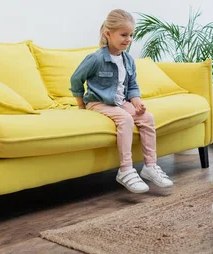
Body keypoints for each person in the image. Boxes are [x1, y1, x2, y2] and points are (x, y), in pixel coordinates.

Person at [70, 9, 173, 194]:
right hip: (98, 102)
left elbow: (132, 86)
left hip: (120, 102)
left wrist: (137, 102)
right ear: (108, 34)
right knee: (125, 119)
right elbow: (76, 79)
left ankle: (150, 166)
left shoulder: (128, 60)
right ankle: (125, 169)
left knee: (147, 117)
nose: (129, 39)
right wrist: (81, 105)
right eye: (124, 34)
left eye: (131, 35)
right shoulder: (96, 59)